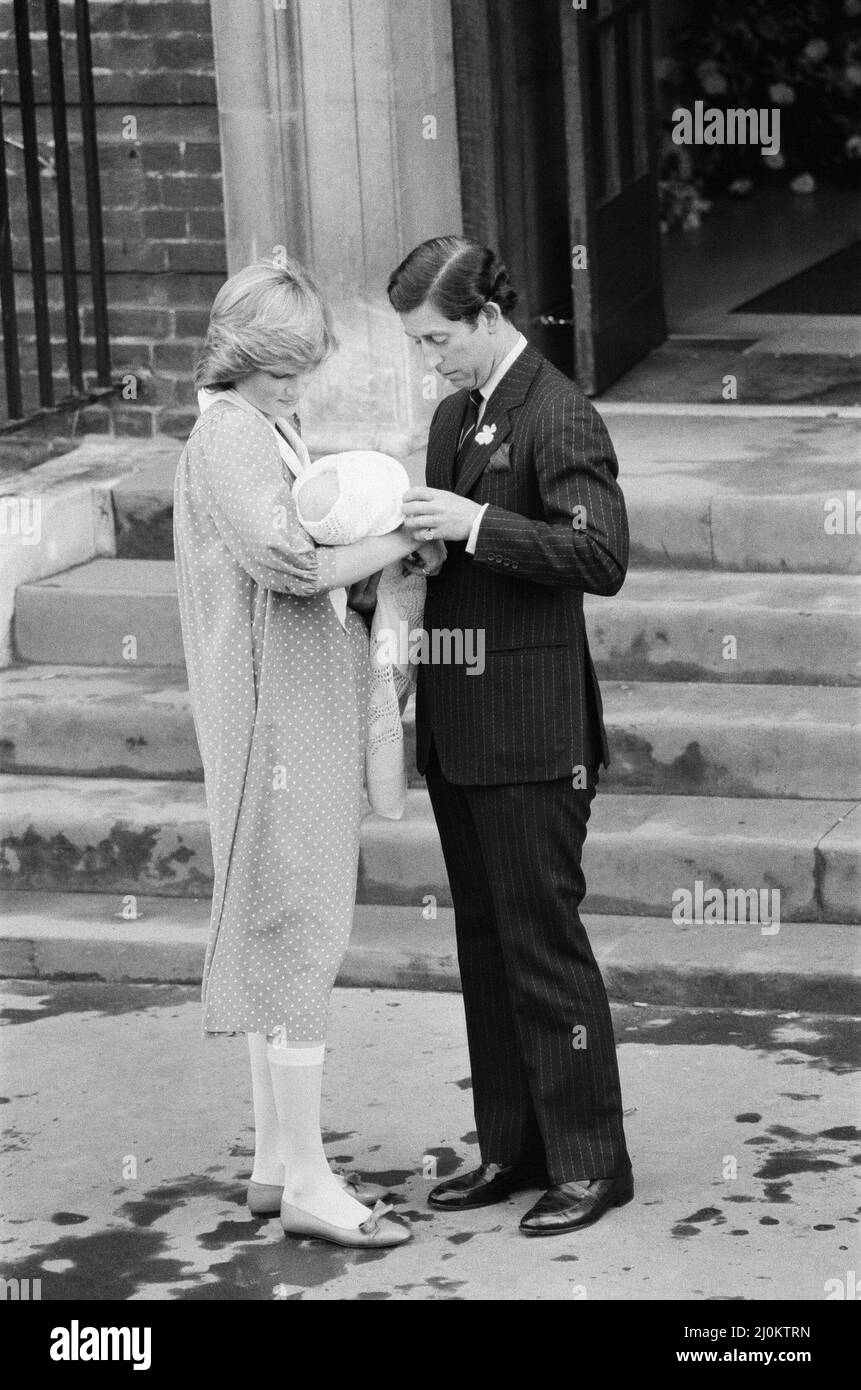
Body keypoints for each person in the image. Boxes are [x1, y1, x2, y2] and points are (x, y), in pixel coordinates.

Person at [388, 236, 633, 1235]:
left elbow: (600, 552)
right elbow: (456, 561)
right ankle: (513, 1148)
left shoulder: (560, 409)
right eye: (415, 341)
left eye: (437, 337)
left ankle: (590, 1163)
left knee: (542, 948)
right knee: (486, 949)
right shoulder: (457, 415)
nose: (427, 358)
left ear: (488, 319)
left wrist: (476, 523)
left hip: (534, 734)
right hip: (462, 727)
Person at [173, 258, 415, 1249]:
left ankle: (280, 1157)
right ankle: (312, 1180)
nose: (295, 382)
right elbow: (286, 559)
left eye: (304, 364)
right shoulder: (231, 431)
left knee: (282, 919)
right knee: (303, 922)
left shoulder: (258, 423)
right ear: (240, 353)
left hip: (287, 703)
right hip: (280, 714)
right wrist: (401, 538)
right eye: (280, 364)